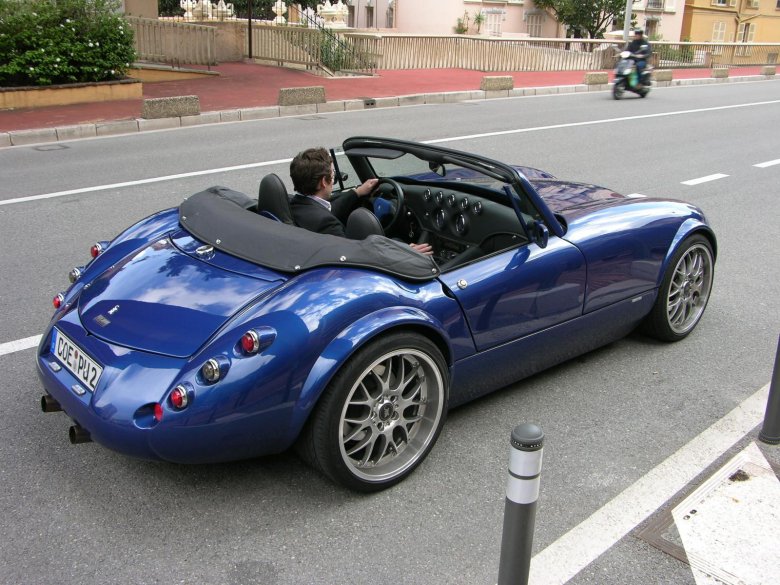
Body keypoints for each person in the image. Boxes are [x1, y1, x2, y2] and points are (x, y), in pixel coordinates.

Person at [289, 147, 433, 254]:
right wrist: (405, 252)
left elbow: (330, 209)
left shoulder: (295, 204)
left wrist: (357, 192)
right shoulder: (326, 223)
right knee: (398, 241)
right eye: (333, 174)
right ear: (323, 182)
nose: (335, 178)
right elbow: (357, 255)